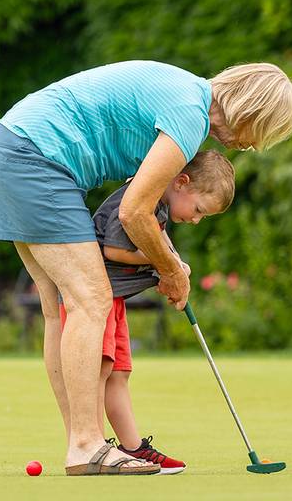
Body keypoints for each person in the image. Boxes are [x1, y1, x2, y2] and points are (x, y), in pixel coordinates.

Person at [0, 61, 292, 475]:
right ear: (251, 111)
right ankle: (86, 445)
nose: (252, 146)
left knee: (57, 307)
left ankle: (84, 443)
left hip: (12, 145)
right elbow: (134, 212)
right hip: (36, 157)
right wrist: (172, 270)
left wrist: (167, 265)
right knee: (90, 299)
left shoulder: (186, 95)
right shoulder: (189, 113)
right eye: (260, 134)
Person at [73, 149, 235, 474]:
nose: (195, 218)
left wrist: (170, 266)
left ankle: (133, 449)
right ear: (181, 182)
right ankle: (92, 447)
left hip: (113, 299)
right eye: (199, 209)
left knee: (119, 373)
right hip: (93, 296)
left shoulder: (159, 210)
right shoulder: (140, 201)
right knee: (101, 370)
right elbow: (115, 249)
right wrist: (163, 264)